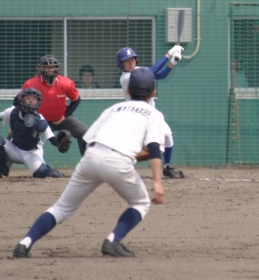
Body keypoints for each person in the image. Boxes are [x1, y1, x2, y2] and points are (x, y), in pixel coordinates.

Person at [12, 68, 165, 258]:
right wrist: (157, 182)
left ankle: (24, 244)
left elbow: (88, 139)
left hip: (91, 157)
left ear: (128, 90)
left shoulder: (113, 109)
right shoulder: (154, 114)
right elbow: (154, 148)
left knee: (61, 208)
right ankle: (112, 241)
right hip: (118, 162)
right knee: (140, 202)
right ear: (153, 92)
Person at [117, 45, 184, 179]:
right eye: (127, 61)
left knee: (168, 135)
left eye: (132, 59)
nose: (131, 63)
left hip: (151, 114)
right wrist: (169, 54)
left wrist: (172, 63)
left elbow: (160, 75)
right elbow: (149, 73)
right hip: (137, 116)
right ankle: (123, 165)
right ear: (121, 64)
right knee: (140, 146)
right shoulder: (126, 78)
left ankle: (167, 167)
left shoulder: (138, 71)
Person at [0, 88, 65, 179]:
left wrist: (61, 141)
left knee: (41, 173)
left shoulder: (40, 119)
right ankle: (2, 171)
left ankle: (49, 170)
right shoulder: (13, 111)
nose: (31, 101)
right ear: (21, 100)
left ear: (38, 102)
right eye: (28, 98)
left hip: (32, 153)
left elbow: (52, 139)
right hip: (14, 149)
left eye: (34, 99)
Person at [20, 54, 88, 155]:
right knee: (16, 135)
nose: (50, 70)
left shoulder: (66, 83)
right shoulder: (30, 84)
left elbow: (76, 100)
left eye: (53, 67)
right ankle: (5, 164)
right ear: (40, 68)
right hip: (39, 120)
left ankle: (87, 163)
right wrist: (15, 124)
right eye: (47, 67)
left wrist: (64, 117)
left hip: (62, 119)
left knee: (85, 132)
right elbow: (19, 102)